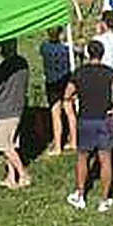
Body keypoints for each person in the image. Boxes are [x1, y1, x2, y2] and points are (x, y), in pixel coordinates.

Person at [64, 39, 113, 213]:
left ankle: (80, 194)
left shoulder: (79, 72)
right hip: (104, 120)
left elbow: (67, 94)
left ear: (87, 54)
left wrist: (72, 103)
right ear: (102, 54)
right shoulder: (109, 72)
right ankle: (105, 199)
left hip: (85, 120)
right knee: (105, 160)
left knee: (83, 158)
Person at [0, 39, 33, 189]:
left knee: (2, 145)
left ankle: (23, 174)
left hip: (5, 109)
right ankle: (11, 177)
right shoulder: (23, 62)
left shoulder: (5, 66)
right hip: (18, 106)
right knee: (12, 143)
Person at [40, 26, 76, 155]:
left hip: (52, 83)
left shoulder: (44, 47)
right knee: (69, 111)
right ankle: (74, 141)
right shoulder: (66, 48)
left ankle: (58, 146)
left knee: (56, 114)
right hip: (66, 81)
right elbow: (77, 51)